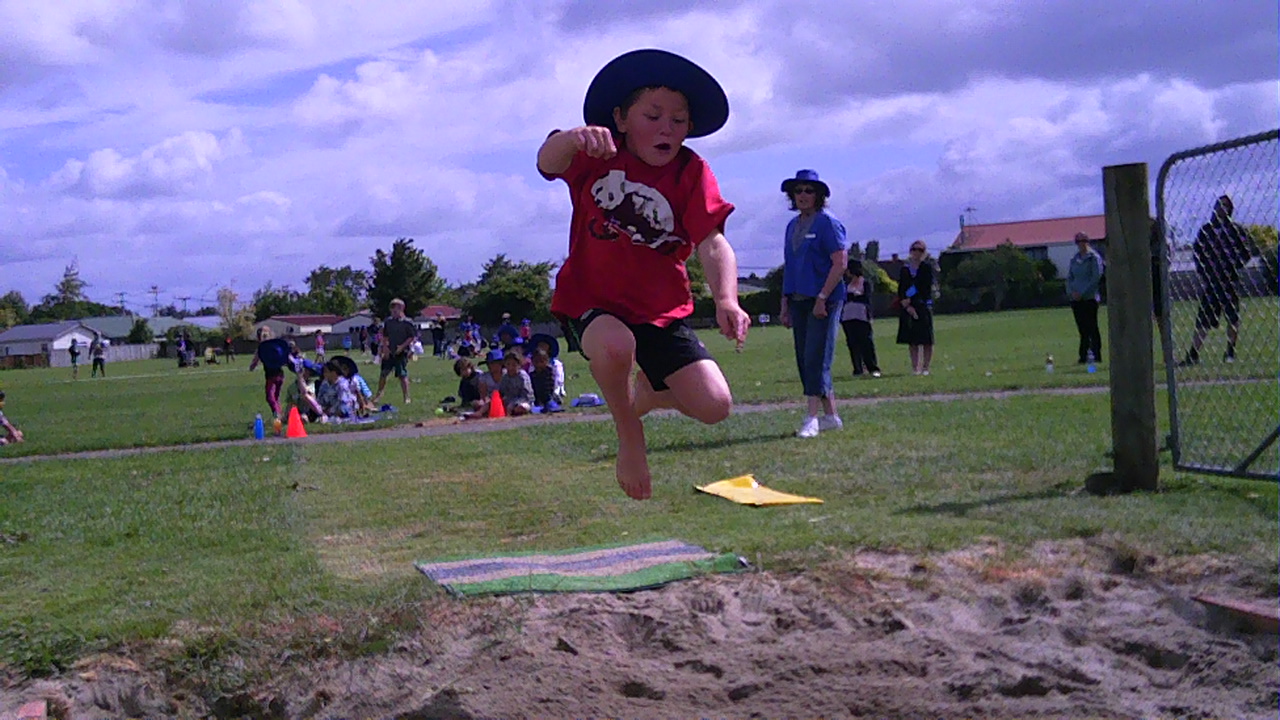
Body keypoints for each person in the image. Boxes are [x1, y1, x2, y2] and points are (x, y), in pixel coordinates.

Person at [537, 48, 749, 499]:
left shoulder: (692, 172)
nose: (666, 128)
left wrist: (727, 299)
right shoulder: (597, 157)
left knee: (715, 406)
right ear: (621, 118)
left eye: (678, 119)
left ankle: (651, 391)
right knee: (616, 347)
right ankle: (630, 436)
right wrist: (574, 138)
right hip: (590, 300)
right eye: (653, 115)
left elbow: (712, 242)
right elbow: (546, 161)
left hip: (660, 309)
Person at [779, 169, 848, 438]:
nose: (803, 196)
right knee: (804, 357)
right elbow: (791, 265)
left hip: (824, 301)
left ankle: (811, 418)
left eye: (809, 190)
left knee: (816, 357)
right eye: (799, 191)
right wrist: (785, 304)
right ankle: (831, 416)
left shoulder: (827, 223)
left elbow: (839, 262)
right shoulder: (791, 226)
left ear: (819, 195)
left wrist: (822, 297)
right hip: (798, 299)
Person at [1179, 195, 1258, 366]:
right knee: (1203, 318)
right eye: (1218, 205)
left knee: (1232, 317)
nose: (1220, 209)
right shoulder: (1207, 230)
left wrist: (1232, 264)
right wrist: (1205, 271)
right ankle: (1193, 354)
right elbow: (1198, 252)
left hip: (1229, 280)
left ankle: (1230, 350)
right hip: (1212, 282)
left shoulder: (1236, 230)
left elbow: (1246, 252)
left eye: (1224, 206)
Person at [897, 241, 936, 375]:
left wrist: (911, 297)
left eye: (920, 250)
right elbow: (901, 287)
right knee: (912, 340)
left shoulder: (926, 268)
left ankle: (926, 367)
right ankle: (915, 368)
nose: (916, 252)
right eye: (914, 249)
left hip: (923, 305)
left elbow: (924, 287)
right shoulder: (905, 269)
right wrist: (905, 303)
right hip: (908, 307)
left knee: (926, 339)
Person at [1066, 231, 1105, 365]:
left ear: (1087, 242)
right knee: (1082, 329)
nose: (1080, 244)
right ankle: (1083, 356)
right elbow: (1070, 277)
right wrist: (1072, 292)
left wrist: (1082, 292)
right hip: (1076, 300)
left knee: (1092, 327)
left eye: (1083, 241)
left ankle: (1096, 355)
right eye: (1078, 241)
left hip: (1089, 298)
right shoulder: (1074, 259)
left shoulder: (1093, 257)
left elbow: (1095, 278)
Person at [372, 299, 418, 404]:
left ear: (402, 309)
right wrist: (385, 348)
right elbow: (385, 336)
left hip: (401, 352)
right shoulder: (388, 322)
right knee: (383, 374)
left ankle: (406, 397)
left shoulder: (407, 322)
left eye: (395, 309)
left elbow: (411, 337)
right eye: (392, 310)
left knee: (402, 374)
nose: (393, 312)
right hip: (390, 351)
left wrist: (402, 347)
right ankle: (379, 395)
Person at [840, 261, 881, 378]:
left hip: (862, 316)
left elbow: (866, 298)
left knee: (866, 343)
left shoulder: (865, 283)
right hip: (848, 317)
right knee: (853, 343)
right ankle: (857, 369)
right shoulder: (846, 283)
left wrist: (855, 297)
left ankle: (873, 367)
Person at [248, 333, 290, 420]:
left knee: (270, 397)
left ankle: (277, 414)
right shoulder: (275, 348)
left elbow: (255, 362)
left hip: (271, 376)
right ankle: (279, 415)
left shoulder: (263, 350)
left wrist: (252, 366)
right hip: (280, 375)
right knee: (276, 397)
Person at [499, 351, 534, 416]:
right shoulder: (505, 377)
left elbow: (527, 395)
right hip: (509, 401)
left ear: (518, 365)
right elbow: (503, 392)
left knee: (522, 407)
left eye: (514, 365)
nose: (510, 367)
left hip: (523, 401)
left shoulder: (522, 376)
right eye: (508, 364)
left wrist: (514, 403)